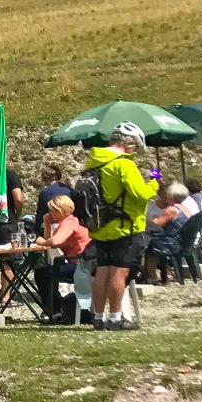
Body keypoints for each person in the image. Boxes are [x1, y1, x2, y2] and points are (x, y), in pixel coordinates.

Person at [83, 122, 158, 332]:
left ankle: (98, 318)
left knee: (102, 271)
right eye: (134, 146)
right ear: (129, 142)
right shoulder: (124, 164)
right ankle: (116, 318)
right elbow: (141, 194)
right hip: (124, 226)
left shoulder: (94, 162)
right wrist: (154, 182)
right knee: (120, 272)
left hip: (100, 226)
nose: (134, 150)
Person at [34, 195, 90, 324]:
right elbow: (51, 243)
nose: (49, 213)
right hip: (80, 263)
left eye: (51, 210)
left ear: (59, 211)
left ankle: (54, 310)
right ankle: (54, 310)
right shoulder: (65, 223)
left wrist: (41, 241)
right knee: (44, 272)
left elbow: (55, 241)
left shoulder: (70, 222)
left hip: (83, 265)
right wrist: (47, 223)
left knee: (43, 274)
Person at [142, 181, 190, 284]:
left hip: (170, 242)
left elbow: (156, 224)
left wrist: (152, 219)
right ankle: (168, 273)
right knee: (154, 241)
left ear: (172, 196)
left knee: (150, 244)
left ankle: (152, 276)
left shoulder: (171, 210)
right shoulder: (185, 209)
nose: (166, 197)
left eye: (168, 195)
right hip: (179, 240)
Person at [34, 164, 74, 233]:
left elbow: (40, 215)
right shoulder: (69, 189)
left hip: (55, 226)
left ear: (45, 178)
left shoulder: (45, 192)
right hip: (71, 223)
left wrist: (35, 230)